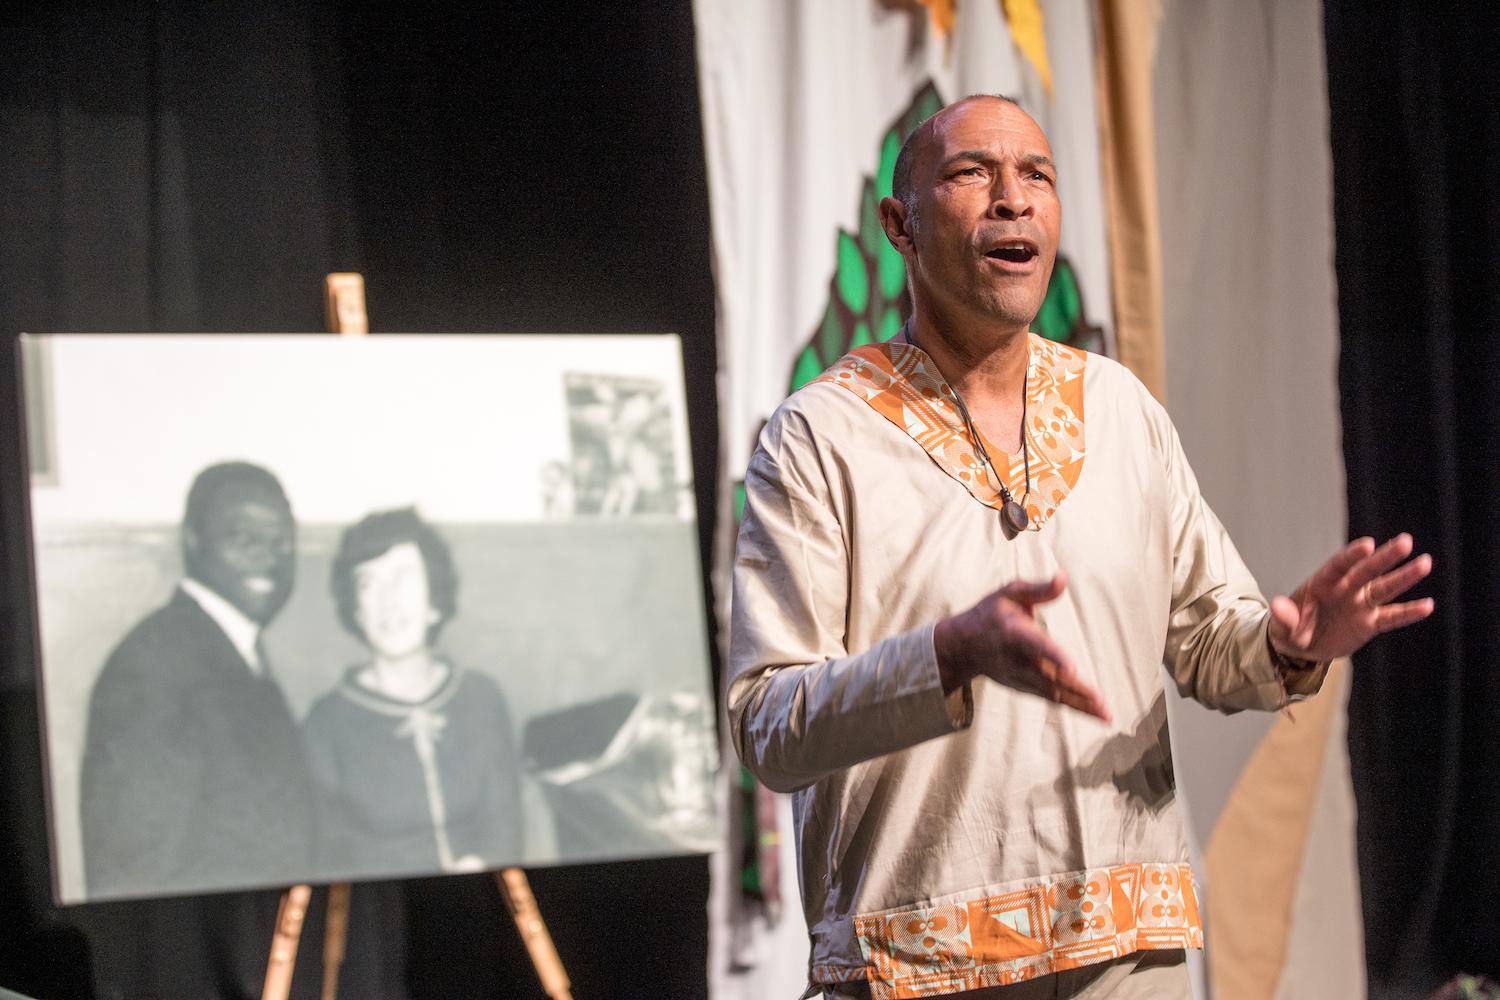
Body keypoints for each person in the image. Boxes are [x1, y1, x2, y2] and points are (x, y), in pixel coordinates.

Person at [728, 95, 1434, 999]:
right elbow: (767, 723)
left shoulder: (1118, 408)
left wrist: (1286, 642)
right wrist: (943, 656)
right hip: (921, 964)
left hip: (1131, 954)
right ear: (899, 227)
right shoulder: (819, 436)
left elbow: (1212, 643)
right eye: (971, 173)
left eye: (1037, 176)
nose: (1012, 199)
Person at [79, 460, 316, 899]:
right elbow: (134, 872)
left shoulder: (231, 649)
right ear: (192, 541)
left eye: (283, 542)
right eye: (242, 537)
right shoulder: (153, 670)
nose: (270, 556)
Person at [302, 507, 522, 879]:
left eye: (403, 578)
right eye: (369, 583)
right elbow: (329, 859)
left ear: (434, 602)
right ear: (356, 610)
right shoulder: (325, 724)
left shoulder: (482, 698)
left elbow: (504, 829)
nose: (389, 601)